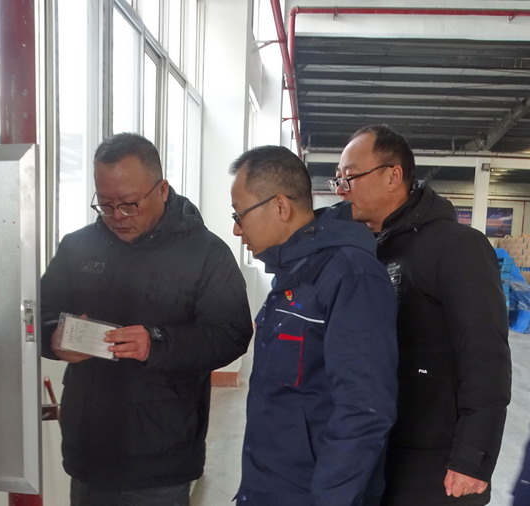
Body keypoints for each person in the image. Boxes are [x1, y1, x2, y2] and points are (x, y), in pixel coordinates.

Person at [41, 132, 253, 505]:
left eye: (129, 204)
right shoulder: (77, 247)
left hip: (162, 453)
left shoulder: (205, 254)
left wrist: (156, 343)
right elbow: (38, 315)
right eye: (105, 204)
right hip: (88, 449)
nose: (117, 216)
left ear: (163, 190)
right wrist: (52, 339)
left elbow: (230, 334)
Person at [332, 124, 512, 506]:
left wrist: (472, 458)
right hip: (380, 446)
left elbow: (486, 357)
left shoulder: (456, 247)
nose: (341, 189)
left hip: (436, 460)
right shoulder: (368, 251)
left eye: (350, 177)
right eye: (338, 179)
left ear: (393, 176)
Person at [230, 145, 399, 505]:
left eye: (239, 214)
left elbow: (364, 411)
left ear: (280, 206)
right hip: (269, 487)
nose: (236, 229)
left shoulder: (351, 275)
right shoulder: (294, 274)